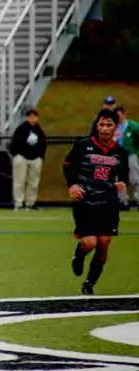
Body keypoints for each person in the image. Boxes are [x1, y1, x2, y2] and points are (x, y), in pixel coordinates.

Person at [65, 109, 129, 295]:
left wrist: (121, 184)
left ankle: (89, 283)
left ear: (115, 128)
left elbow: (123, 175)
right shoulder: (83, 145)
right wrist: (73, 185)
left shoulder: (120, 152)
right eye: (101, 124)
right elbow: (68, 166)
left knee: (103, 245)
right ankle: (79, 255)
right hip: (85, 201)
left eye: (109, 125)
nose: (105, 128)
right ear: (97, 125)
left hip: (108, 203)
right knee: (89, 243)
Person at [9, 108, 47, 211]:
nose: (32, 119)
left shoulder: (39, 130)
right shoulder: (21, 129)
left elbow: (43, 144)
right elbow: (14, 143)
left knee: (33, 183)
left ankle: (30, 203)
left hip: (35, 158)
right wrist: (17, 154)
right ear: (27, 117)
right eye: (30, 116)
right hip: (22, 157)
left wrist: (40, 156)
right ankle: (19, 203)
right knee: (19, 182)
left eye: (34, 116)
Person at [114, 106, 139, 207]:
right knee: (119, 179)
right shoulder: (113, 126)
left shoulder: (133, 126)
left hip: (130, 155)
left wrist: (135, 151)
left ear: (123, 114)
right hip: (116, 157)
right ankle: (122, 201)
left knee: (135, 178)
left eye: (118, 114)